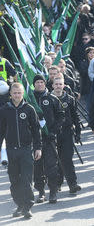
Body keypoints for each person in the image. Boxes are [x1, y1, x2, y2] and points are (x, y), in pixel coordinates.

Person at [0, 83, 41, 219]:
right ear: (10, 93)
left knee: (26, 179)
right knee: (14, 181)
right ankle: (19, 205)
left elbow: (36, 130)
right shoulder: (4, 110)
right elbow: (0, 132)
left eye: (19, 93)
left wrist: (38, 148)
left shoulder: (29, 109)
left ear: (23, 93)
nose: (17, 95)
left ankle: (27, 207)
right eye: (15, 93)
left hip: (25, 150)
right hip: (11, 151)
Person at [32, 74, 65, 204]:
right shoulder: (29, 99)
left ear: (45, 83)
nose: (39, 84)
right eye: (37, 82)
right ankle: (41, 192)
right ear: (34, 84)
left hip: (49, 138)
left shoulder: (52, 99)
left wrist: (53, 132)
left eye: (41, 82)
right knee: (37, 167)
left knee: (51, 166)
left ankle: (53, 191)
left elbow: (61, 116)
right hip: (35, 140)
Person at [52, 76, 82, 194]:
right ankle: (57, 183)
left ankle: (72, 184)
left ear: (64, 85)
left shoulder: (69, 99)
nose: (58, 86)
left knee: (67, 159)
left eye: (60, 84)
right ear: (53, 85)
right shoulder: (48, 99)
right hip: (53, 134)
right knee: (56, 160)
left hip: (67, 133)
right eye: (56, 84)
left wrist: (78, 132)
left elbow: (75, 116)